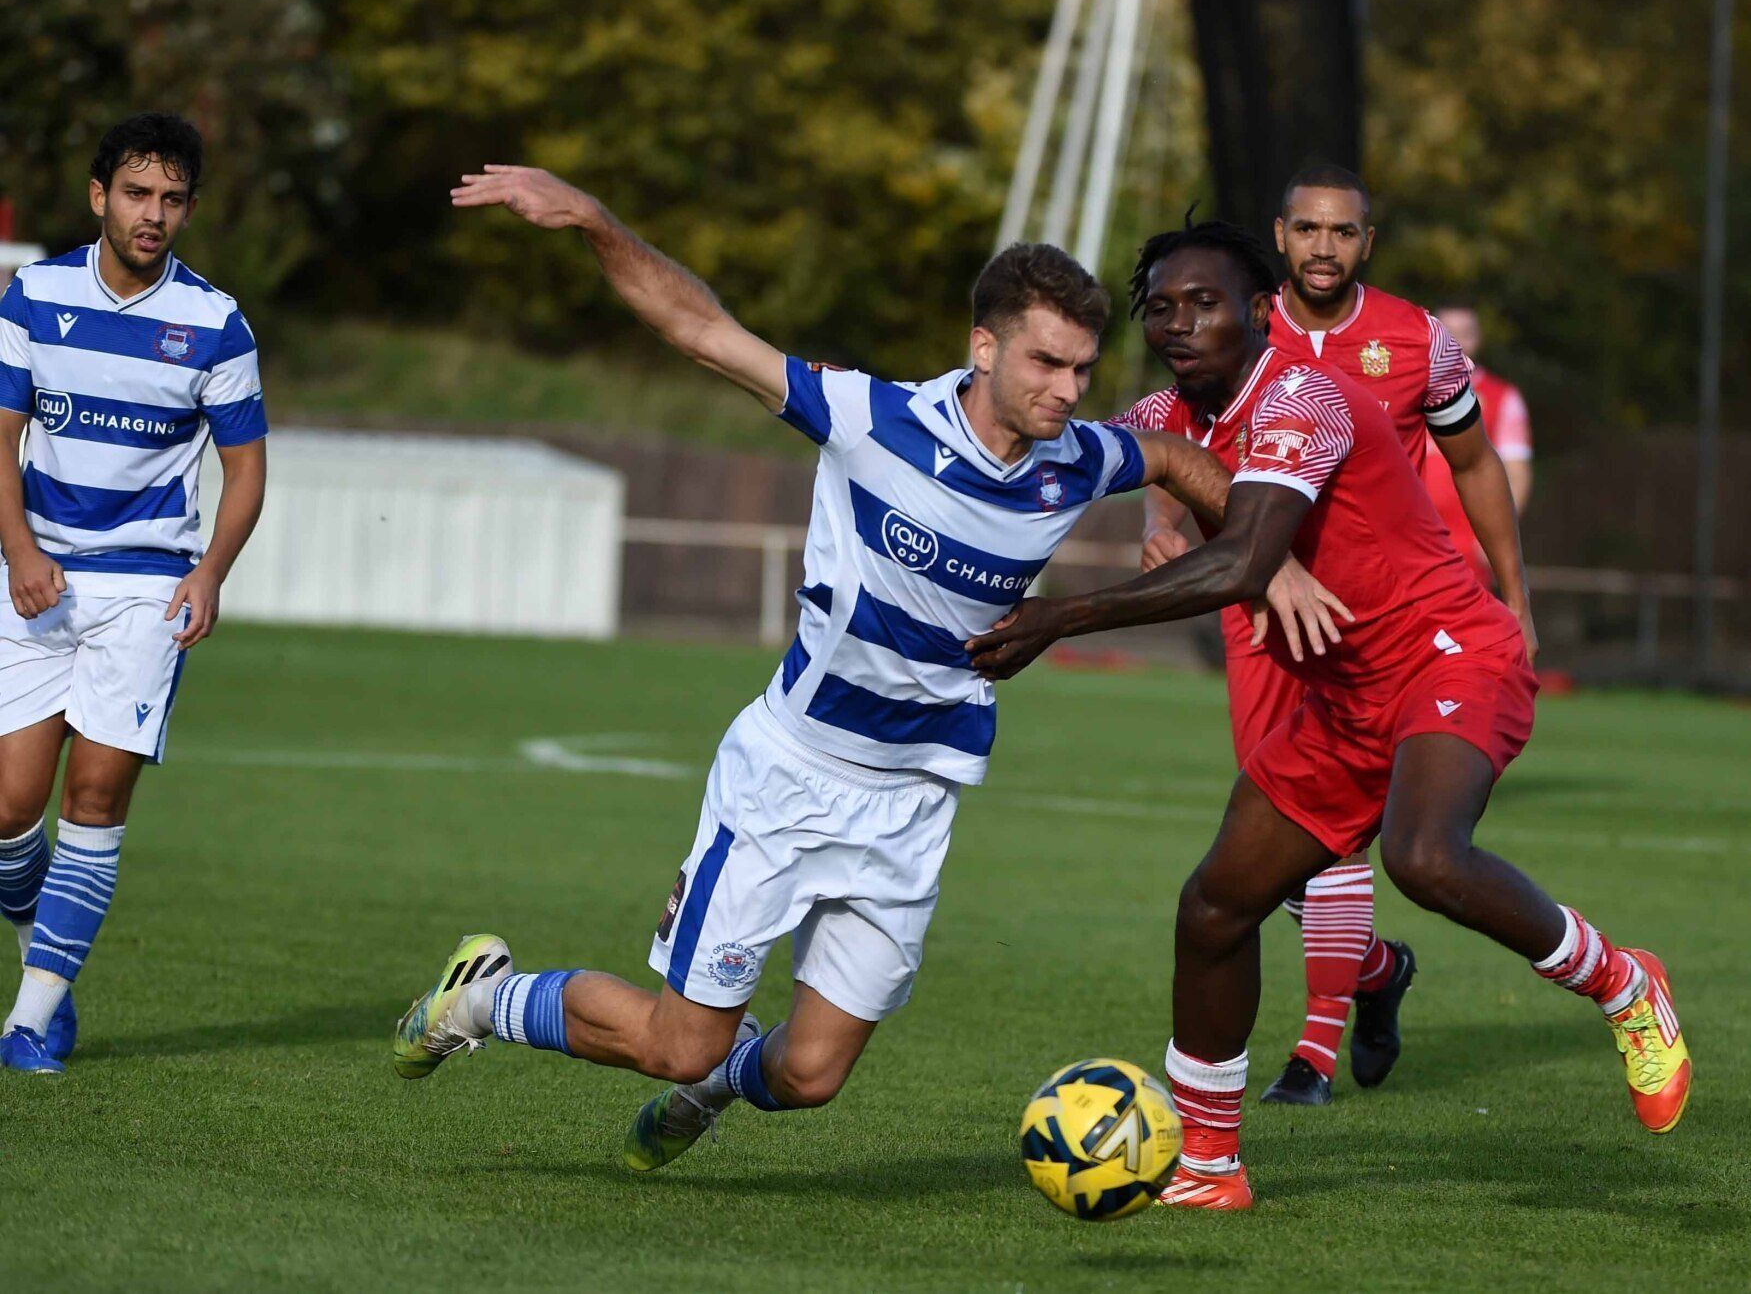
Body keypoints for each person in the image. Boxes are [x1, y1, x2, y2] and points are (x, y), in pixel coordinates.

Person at [390, 165, 1233, 1174]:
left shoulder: (1077, 457)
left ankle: (715, 1086)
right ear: (984, 347)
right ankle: (484, 997)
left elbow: (1172, 455)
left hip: (916, 801)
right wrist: (595, 219)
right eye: (1047, 362)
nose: (1068, 389)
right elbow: (702, 330)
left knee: (810, 1075)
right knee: (677, 1041)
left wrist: (1209, 529)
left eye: (1083, 369)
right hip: (790, 778)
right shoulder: (870, 419)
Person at [970, 221, 1690, 1210]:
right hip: (1344, 699)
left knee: (1422, 855)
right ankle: (1210, 1165)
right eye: (1163, 308)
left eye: (1206, 303)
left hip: (1449, 652)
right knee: (1215, 906)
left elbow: (1243, 560)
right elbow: (1100, 452)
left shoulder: (1303, 396)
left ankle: (1622, 983)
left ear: (1262, 311)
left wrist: (1061, 615)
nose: (1181, 323)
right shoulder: (1161, 412)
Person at [1138, 168, 1535, 1106]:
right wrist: (1157, 521)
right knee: (1282, 851)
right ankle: (1375, 971)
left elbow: (1475, 461)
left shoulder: (1417, 339)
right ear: (1281, 236)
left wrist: (1516, 593)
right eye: (1308, 230)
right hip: (1263, 611)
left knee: (1353, 847)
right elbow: (1177, 442)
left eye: (1343, 232)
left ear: (1367, 242)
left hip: (1382, 616)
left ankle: (1314, 1054)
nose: (1325, 247)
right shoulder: (1226, 319)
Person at [0, 113, 269, 1074]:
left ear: (189, 209)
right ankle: (44, 953)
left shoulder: (215, 323)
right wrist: (20, 550)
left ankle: (30, 1019)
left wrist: (210, 571)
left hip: (147, 590)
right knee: (8, 811)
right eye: (136, 193)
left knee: (95, 794)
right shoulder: (35, 295)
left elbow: (246, 470)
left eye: (172, 198)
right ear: (99, 196)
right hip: (36, 580)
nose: (153, 213)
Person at [1424, 303, 1534, 588]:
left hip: (1468, 537)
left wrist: (1496, 535)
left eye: (1465, 333)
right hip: (1411, 531)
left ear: (1478, 338)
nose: (1457, 342)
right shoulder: (1407, 389)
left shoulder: (1502, 397)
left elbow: (1517, 473)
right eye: (1448, 333)